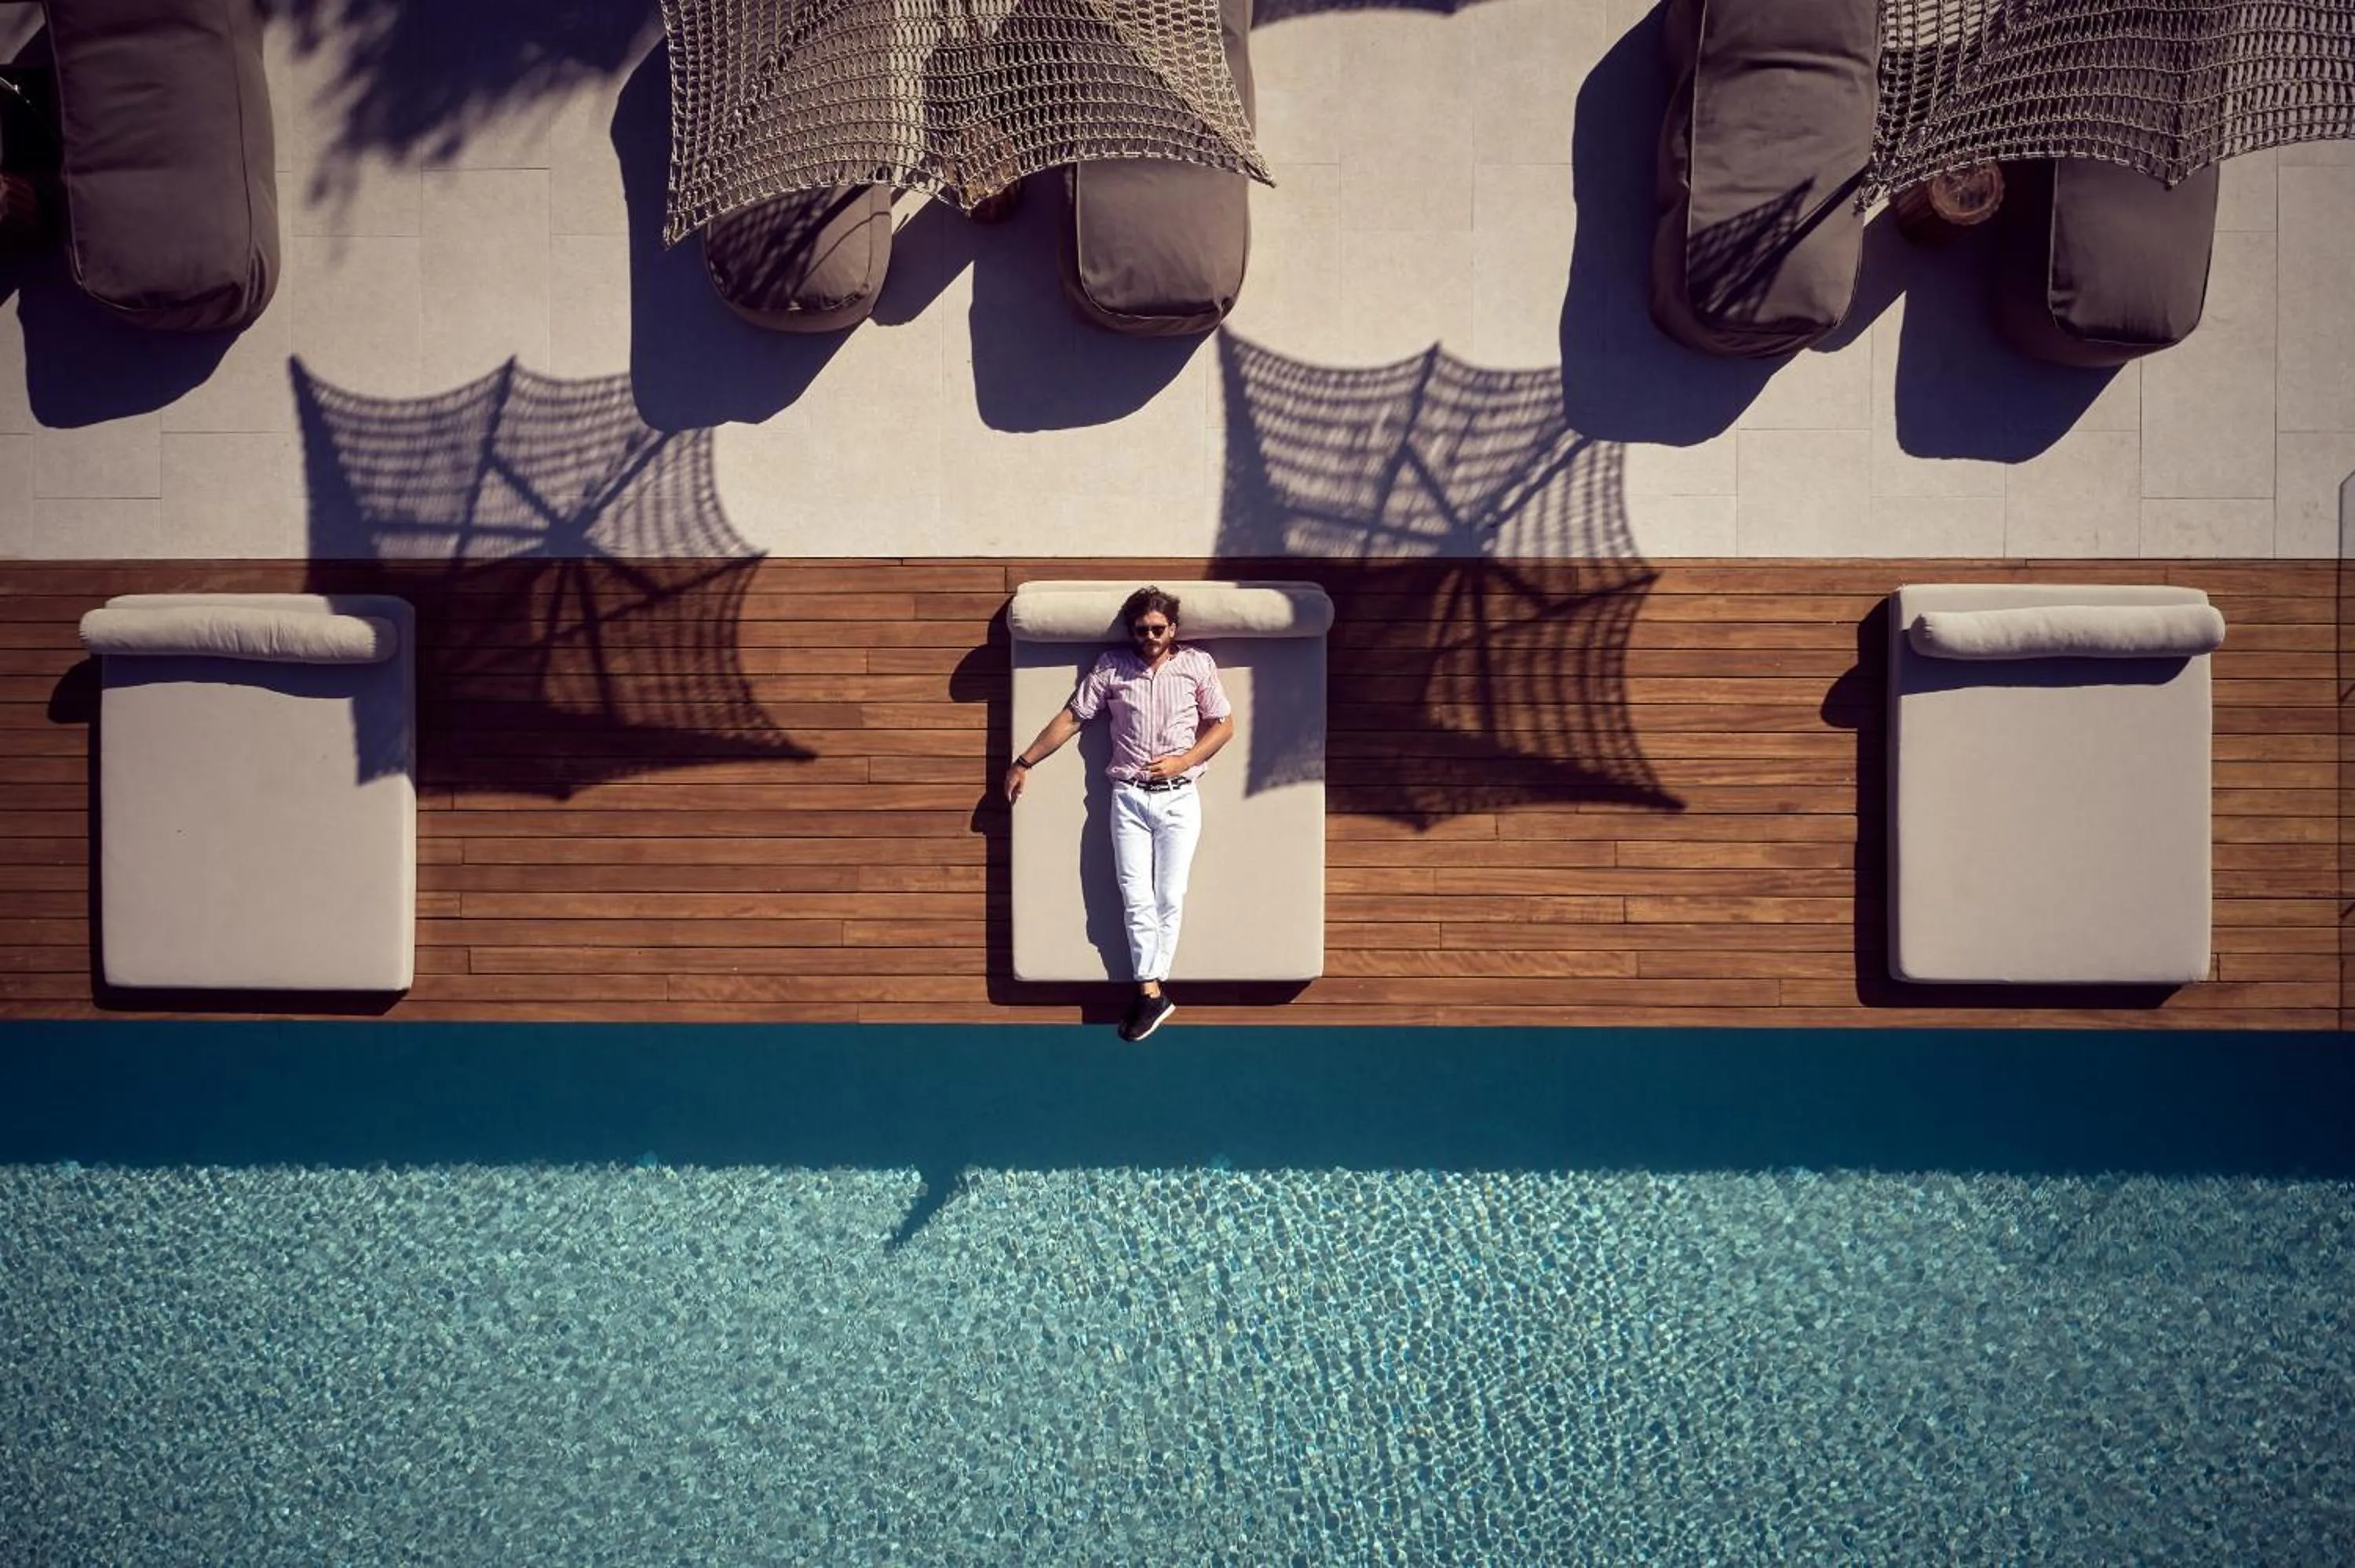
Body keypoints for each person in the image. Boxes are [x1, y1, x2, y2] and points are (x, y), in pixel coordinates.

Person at [1003, 587, 1234, 1041]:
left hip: (1178, 795)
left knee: (1170, 894)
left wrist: (1184, 761)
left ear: (1174, 629)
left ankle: (1153, 992)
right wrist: (1024, 761)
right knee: (1135, 895)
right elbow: (1072, 717)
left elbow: (1224, 724)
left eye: (1158, 628)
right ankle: (1150, 991)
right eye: (1142, 629)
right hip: (1127, 797)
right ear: (1132, 631)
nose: (1150, 636)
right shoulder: (1112, 666)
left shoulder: (1197, 665)